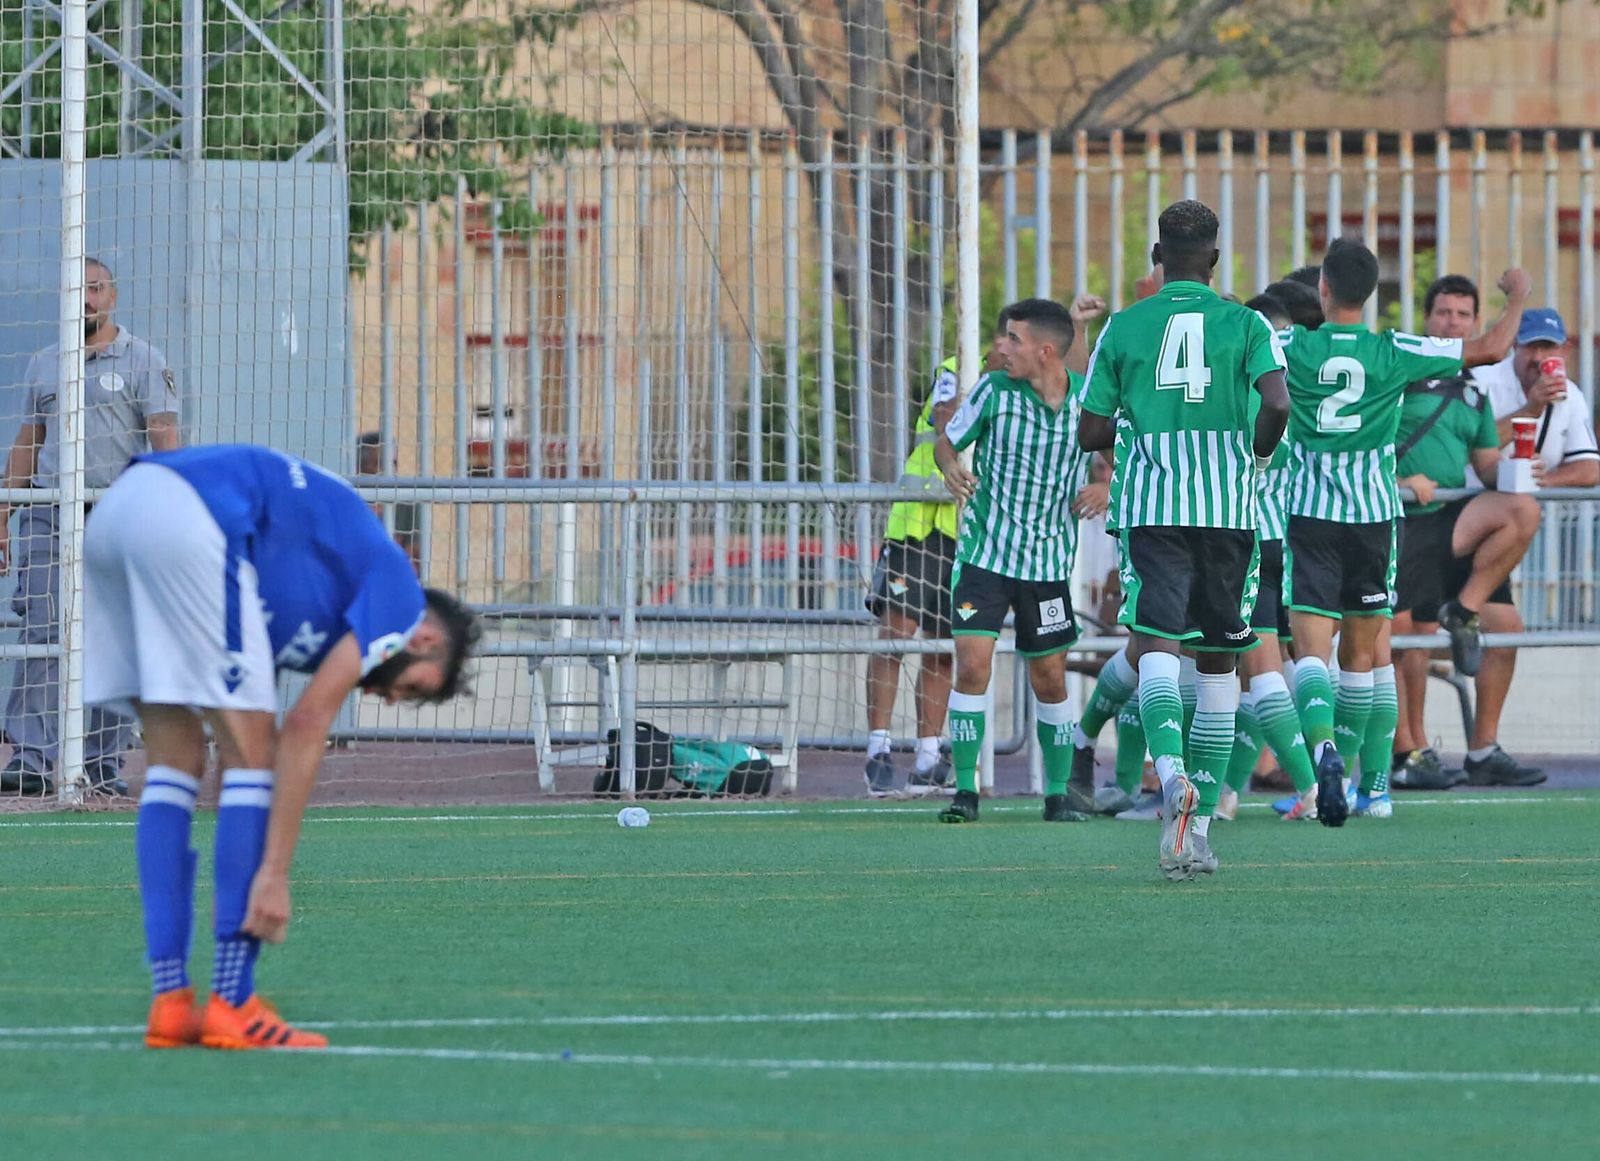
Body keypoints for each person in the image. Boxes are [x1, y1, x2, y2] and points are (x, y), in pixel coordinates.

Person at [85, 444, 480, 1050]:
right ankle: (232, 1002)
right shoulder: (399, 596)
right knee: (254, 755)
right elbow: (305, 723)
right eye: (413, 688)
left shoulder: (303, 588)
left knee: (175, 760)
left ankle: (171, 1002)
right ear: (424, 639)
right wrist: (274, 873)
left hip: (118, 512)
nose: (393, 699)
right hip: (194, 518)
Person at [1075, 200, 1291, 879]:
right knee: (1222, 665)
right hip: (1229, 512)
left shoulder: (1124, 326)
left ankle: (1168, 776)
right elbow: (1279, 403)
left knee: (1157, 649)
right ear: (1216, 260)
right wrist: (1253, 455)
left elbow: (1088, 430)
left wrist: (1144, 422)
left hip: (1155, 511)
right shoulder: (1247, 321)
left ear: (1157, 258)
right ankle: (1196, 832)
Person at [1278, 239, 1527, 823]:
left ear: (1323, 289)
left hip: (1311, 514)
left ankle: (1323, 755)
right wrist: (1517, 297)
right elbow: (1491, 347)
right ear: (1370, 297)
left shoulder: (1290, 344)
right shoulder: (1394, 350)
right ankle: (1375, 789)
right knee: (1366, 655)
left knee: (1311, 651)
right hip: (1374, 516)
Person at [0, 258, 181, 798]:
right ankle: (31, 760)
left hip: (118, 515)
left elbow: (165, 440)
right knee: (43, 626)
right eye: (75, 292)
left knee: (113, 637)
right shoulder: (44, 363)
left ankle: (101, 761)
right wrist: (4, 511)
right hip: (48, 515)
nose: (85, 301)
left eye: (94, 290)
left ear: (112, 297)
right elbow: (28, 444)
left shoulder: (144, 360)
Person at [932, 298, 1094, 824]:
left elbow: (1122, 457)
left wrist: (1107, 486)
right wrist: (952, 465)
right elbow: (946, 441)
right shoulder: (995, 392)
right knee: (973, 663)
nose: (1002, 347)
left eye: (1013, 339)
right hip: (985, 554)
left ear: (1046, 352)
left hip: (1047, 564)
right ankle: (965, 791)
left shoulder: (1086, 406)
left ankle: (1056, 794)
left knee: (1050, 677)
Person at [1391, 277, 1544, 791]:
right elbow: (1356, 447)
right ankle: (1409, 751)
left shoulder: (1473, 395)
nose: (1451, 322)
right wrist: (1400, 480)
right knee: (1405, 634)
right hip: (1402, 520)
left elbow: (1485, 466)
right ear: (1426, 320)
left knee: (1521, 519)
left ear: (1473, 323)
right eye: (1442, 313)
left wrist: (1521, 469)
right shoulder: (1396, 378)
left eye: (1461, 315)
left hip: (1452, 522)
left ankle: (1482, 749)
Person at [356, 432, 422, 570]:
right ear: (359, 468)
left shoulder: (407, 505)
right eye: (377, 464)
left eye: (392, 463)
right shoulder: (349, 504)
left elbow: (413, 562)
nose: (385, 471)